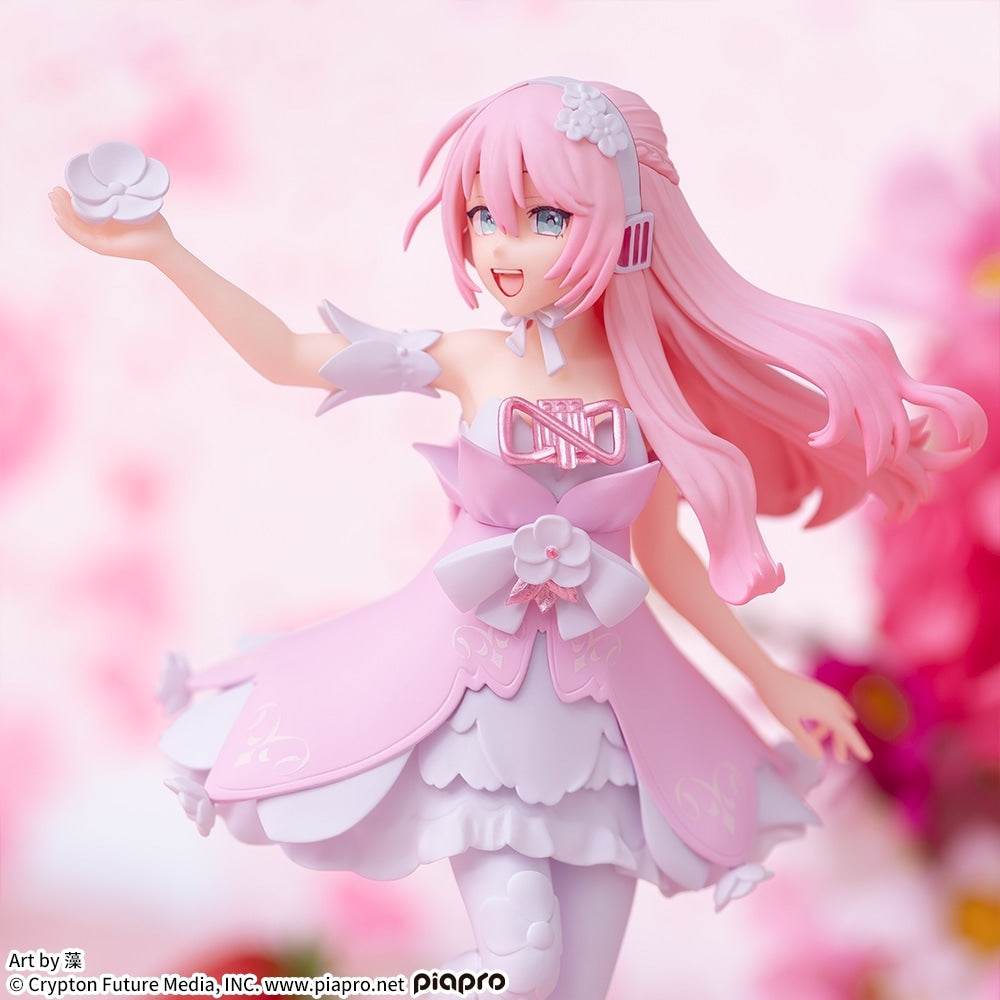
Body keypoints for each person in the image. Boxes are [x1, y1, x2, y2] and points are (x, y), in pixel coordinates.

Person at [51, 78, 985, 1000]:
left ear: (629, 227)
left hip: (604, 725)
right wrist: (165, 252)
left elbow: (664, 558)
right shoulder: (471, 359)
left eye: (544, 218)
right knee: (521, 966)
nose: (502, 246)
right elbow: (290, 356)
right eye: (481, 216)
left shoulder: (651, 392)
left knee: (578, 986)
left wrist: (773, 680)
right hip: (472, 708)